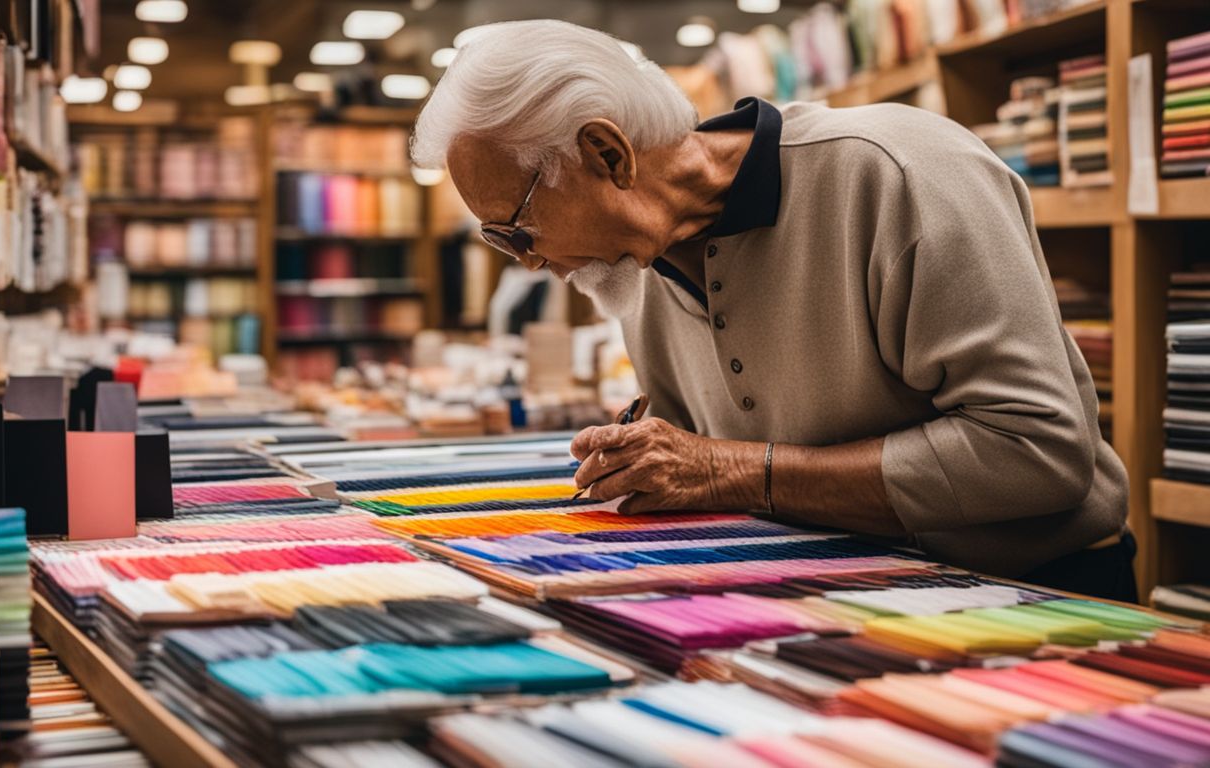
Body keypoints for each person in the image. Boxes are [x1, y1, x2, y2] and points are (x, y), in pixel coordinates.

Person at [410, 20, 1133, 601]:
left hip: (1027, 599)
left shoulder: (897, 173)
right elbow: (728, 438)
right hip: (821, 590)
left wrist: (732, 469)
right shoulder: (632, 266)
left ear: (608, 154)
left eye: (518, 227)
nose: (526, 260)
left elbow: (1038, 454)